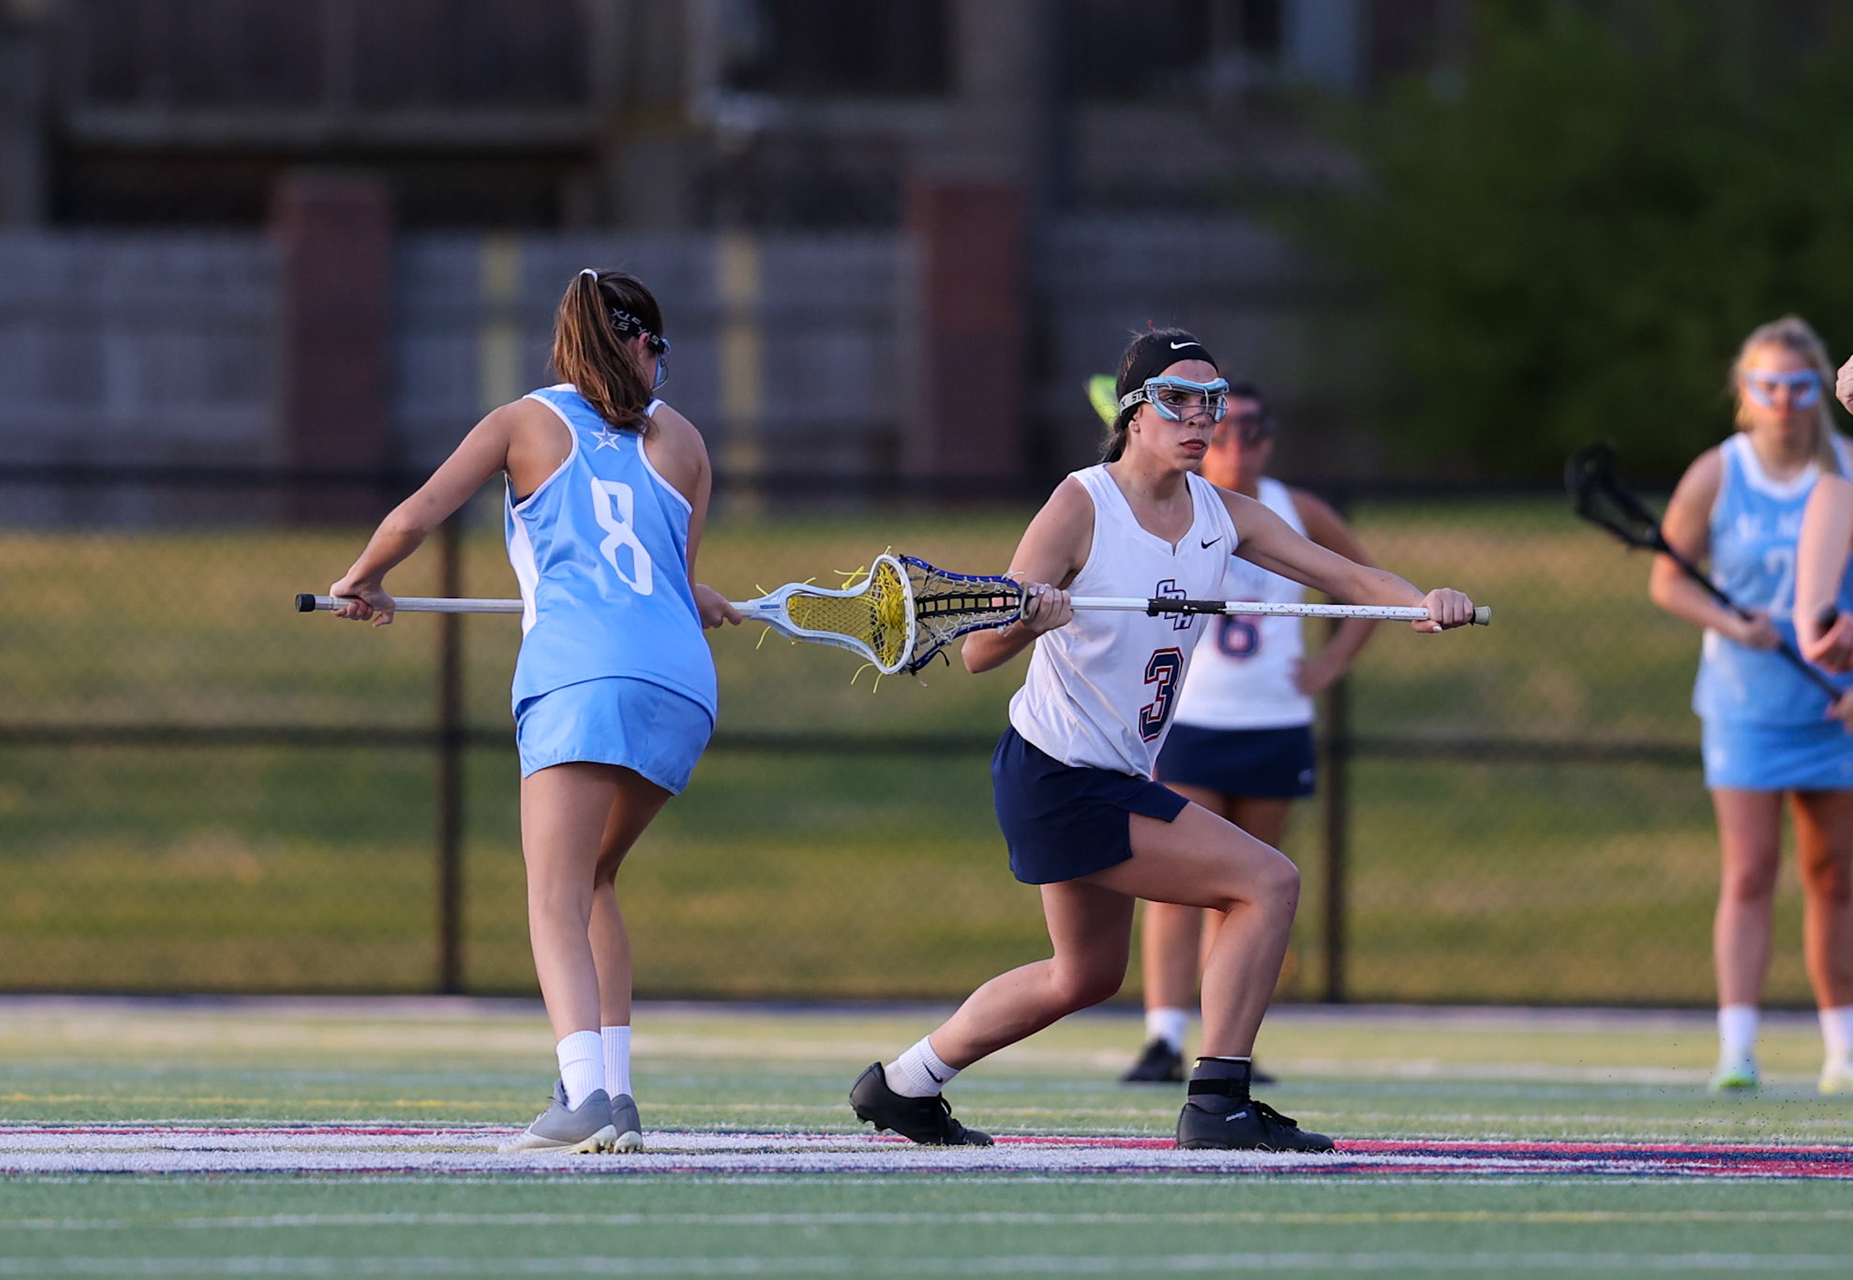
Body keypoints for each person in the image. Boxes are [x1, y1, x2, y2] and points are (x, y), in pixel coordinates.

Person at [848, 330, 1474, 1150]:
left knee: (1085, 976)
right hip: (1060, 774)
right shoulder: (1081, 504)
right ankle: (1218, 1101)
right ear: (1135, 413)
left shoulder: (1222, 514)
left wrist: (1418, 601)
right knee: (1268, 884)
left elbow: (1347, 578)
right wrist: (1030, 618)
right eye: (1178, 400)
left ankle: (902, 1085)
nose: (1200, 418)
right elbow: (976, 651)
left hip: (1110, 771)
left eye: (1210, 402)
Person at [325, 268, 741, 1149]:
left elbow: (418, 514)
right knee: (592, 879)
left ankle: (583, 1094)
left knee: (550, 893)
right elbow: (664, 571)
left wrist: (363, 579)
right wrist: (692, 594)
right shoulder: (688, 444)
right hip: (680, 683)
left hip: (580, 672)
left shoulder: (523, 421)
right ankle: (614, 1096)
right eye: (657, 348)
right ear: (640, 346)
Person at [1111, 380, 1380, 1085]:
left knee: (1252, 887)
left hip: (1274, 723)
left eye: (1253, 429)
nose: (1239, 442)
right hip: (1193, 722)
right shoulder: (1174, 504)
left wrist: (1327, 668)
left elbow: (1358, 580)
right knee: (1175, 884)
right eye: (1227, 428)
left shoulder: (1292, 510)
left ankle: (1227, 1042)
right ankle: (1163, 1036)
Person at [1649, 315, 1853, 1096]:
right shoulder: (1717, 473)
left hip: (1833, 706)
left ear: (1820, 390)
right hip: (1744, 702)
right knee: (1750, 872)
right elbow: (1669, 577)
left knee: (1834, 874)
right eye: (1768, 385)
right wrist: (1732, 621)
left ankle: (1841, 1048)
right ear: (1745, 394)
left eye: (1801, 385)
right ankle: (1737, 1049)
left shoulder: (1845, 472)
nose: (1786, 400)